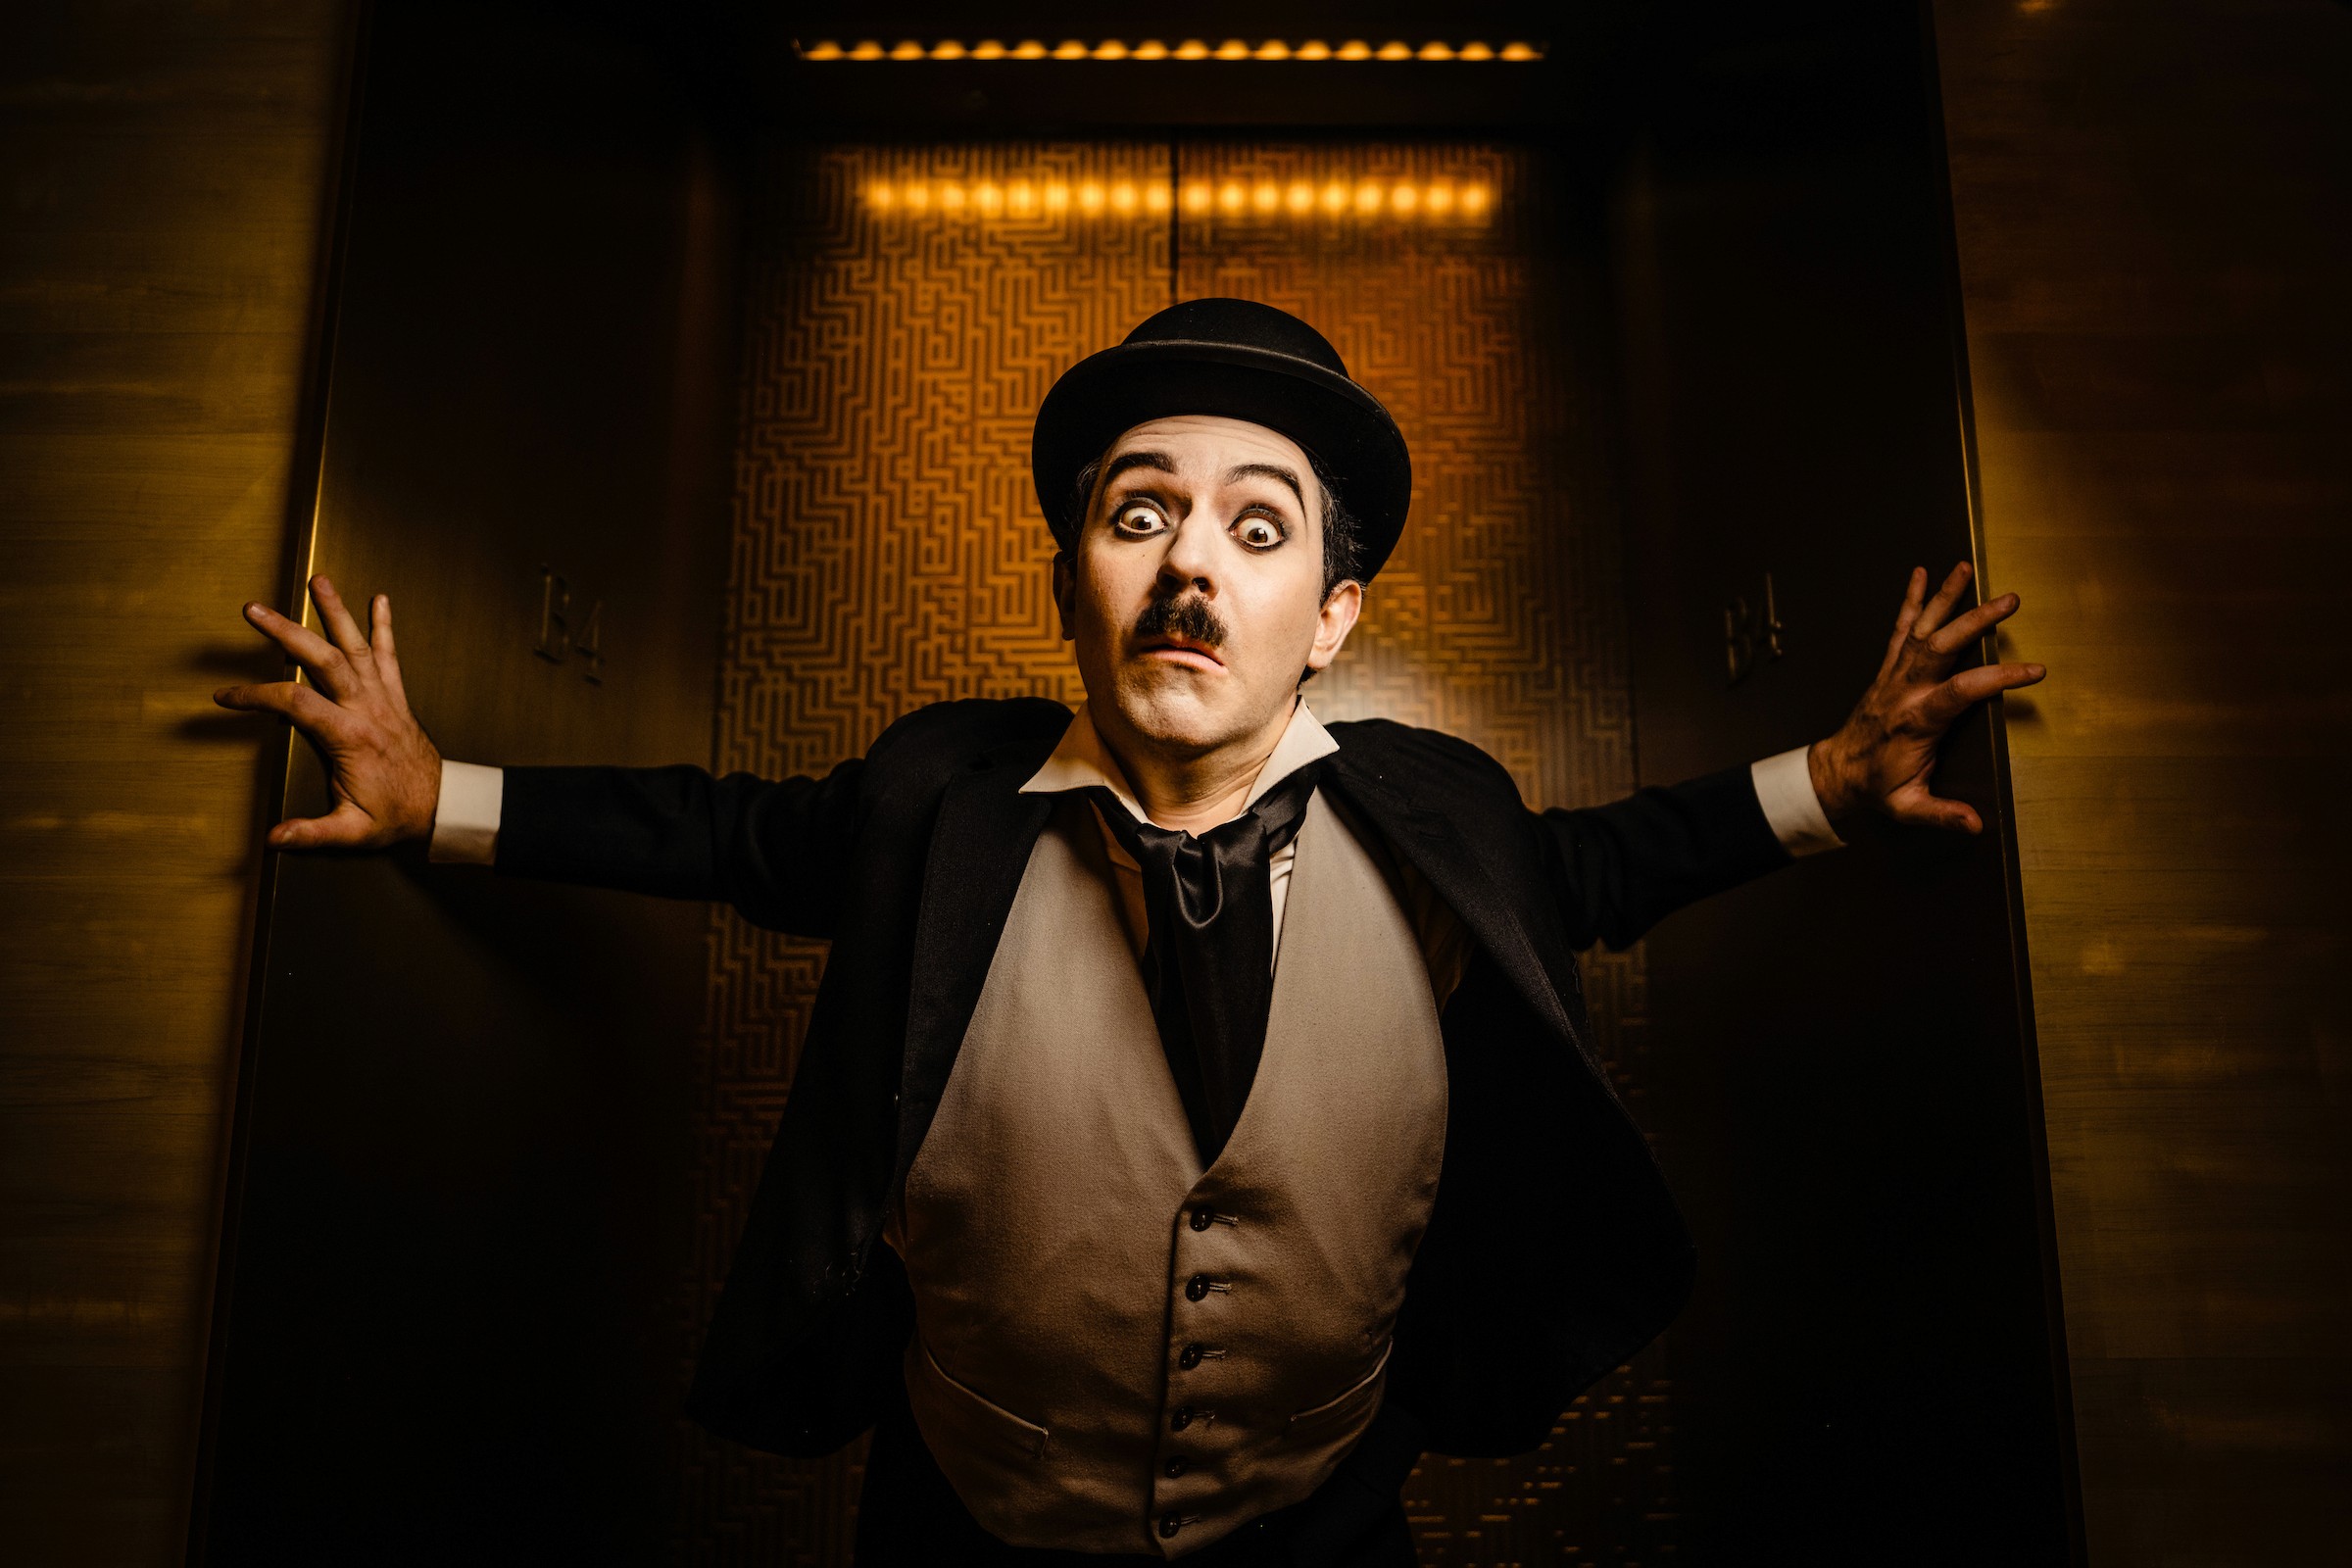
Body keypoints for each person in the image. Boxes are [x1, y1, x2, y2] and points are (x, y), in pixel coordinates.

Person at [213, 299, 2044, 1565]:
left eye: (1258, 529)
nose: (1189, 566)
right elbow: (721, 834)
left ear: (1332, 615)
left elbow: (1608, 866)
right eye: (1141, 514)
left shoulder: (1446, 820)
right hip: (967, 1523)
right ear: (1071, 580)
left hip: (1324, 1526)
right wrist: (433, 795)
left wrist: (1833, 778)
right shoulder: (933, 802)